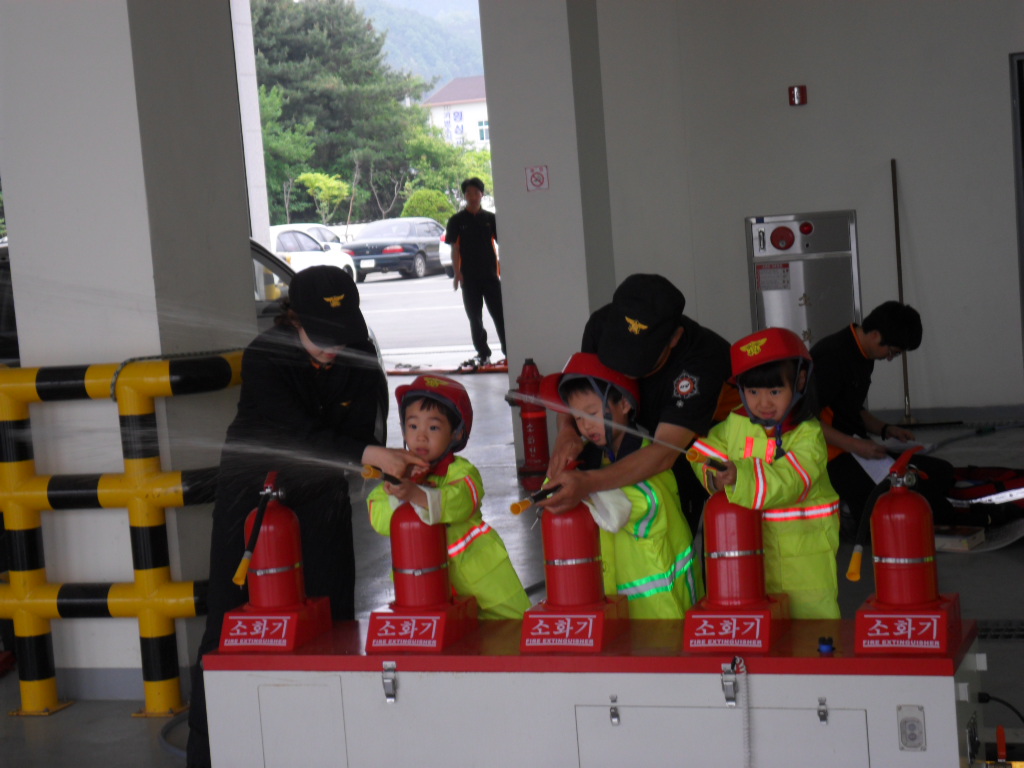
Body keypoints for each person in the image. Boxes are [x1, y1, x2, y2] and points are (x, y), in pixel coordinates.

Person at [186, 266, 426, 768]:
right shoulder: (266, 356)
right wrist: (371, 454)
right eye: (322, 336)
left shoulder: (358, 356)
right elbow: (296, 434)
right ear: (294, 318)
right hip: (251, 491)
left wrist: (387, 470)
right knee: (227, 623)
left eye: (342, 335)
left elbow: (361, 436)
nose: (334, 347)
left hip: (321, 493)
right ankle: (207, 752)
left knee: (333, 619)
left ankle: (329, 746)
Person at [543, 273, 733, 531]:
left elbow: (664, 453)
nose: (624, 365)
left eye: (640, 358)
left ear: (674, 338)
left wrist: (588, 481)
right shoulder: (601, 326)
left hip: (697, 443)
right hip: (638, 432)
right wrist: (567, 430)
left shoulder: (704, 359)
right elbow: (581, 391)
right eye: (618, 351)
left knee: (676, 520)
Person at [690, 327, 841, 619]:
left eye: (774, 391)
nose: (764, 403)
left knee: (809, 623)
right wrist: (714, 475)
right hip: (749, 550)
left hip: (804, 555)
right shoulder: (736, 422)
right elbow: (705, 452)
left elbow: (791, 480)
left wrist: (741, 476)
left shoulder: (808, 434)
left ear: (799, 381)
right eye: (753, 392)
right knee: (759, 623)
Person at [541, 353, 703, 618]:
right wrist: (560, 476)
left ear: (625, 404)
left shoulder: (648, 458)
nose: (586, 426)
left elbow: (633, 506)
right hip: (616, 600)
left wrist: (583, 486)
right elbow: (560, 491)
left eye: (592, 414)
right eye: (578, 418)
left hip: (664, 603)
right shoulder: (592, 457)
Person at [368, 374, 530, 619]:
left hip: (483, 583)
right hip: (425, 586)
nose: (421, 436)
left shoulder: (462, 472)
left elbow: (461, 501)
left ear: (456, 433)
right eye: (413, 426)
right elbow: (380, 520)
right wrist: (399, 494)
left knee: (514, 631)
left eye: (433, 427)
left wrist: (416, 493)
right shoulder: (398, 475)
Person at [810, 301, 955, 538]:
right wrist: (855, 445)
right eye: (893, 352)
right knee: (920, 501)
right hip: (832, 457)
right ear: (876, 335)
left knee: (942, 473)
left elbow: (851, 408)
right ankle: (846, 511)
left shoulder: (864, 354)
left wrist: (886, 429)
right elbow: (806, 420)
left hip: (858, 450)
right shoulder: (831, 356)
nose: (890, 359)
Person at [445, 177, 505, 368]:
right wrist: (457, 274)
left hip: (491, 276)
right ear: (465, 196)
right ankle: (483, 353)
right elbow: (454, 249)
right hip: (469, 278)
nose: (472, 197)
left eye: (476, 193)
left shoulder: (490, 219)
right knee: (475, 318)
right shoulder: (456, 221)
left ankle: (509, 352)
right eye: (468, 193)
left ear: (482, 195)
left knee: (500, 316)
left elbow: (503, 242)